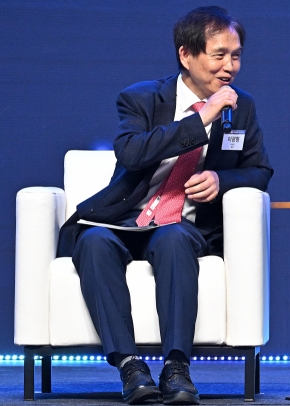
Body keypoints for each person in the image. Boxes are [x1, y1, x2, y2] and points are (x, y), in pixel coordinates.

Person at [56, 6, 272, 405]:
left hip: (183, 225)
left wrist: (222, 181)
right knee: (93, 242)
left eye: (236, 55)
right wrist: (201, 118)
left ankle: (177, 367)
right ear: (186, 55)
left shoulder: (242, 107)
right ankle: (130, 368)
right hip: (125, 217)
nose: (230, 66)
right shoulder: (140, 98)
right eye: (219, 54)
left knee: (173, 239)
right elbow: (132, 152)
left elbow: (260, 171)